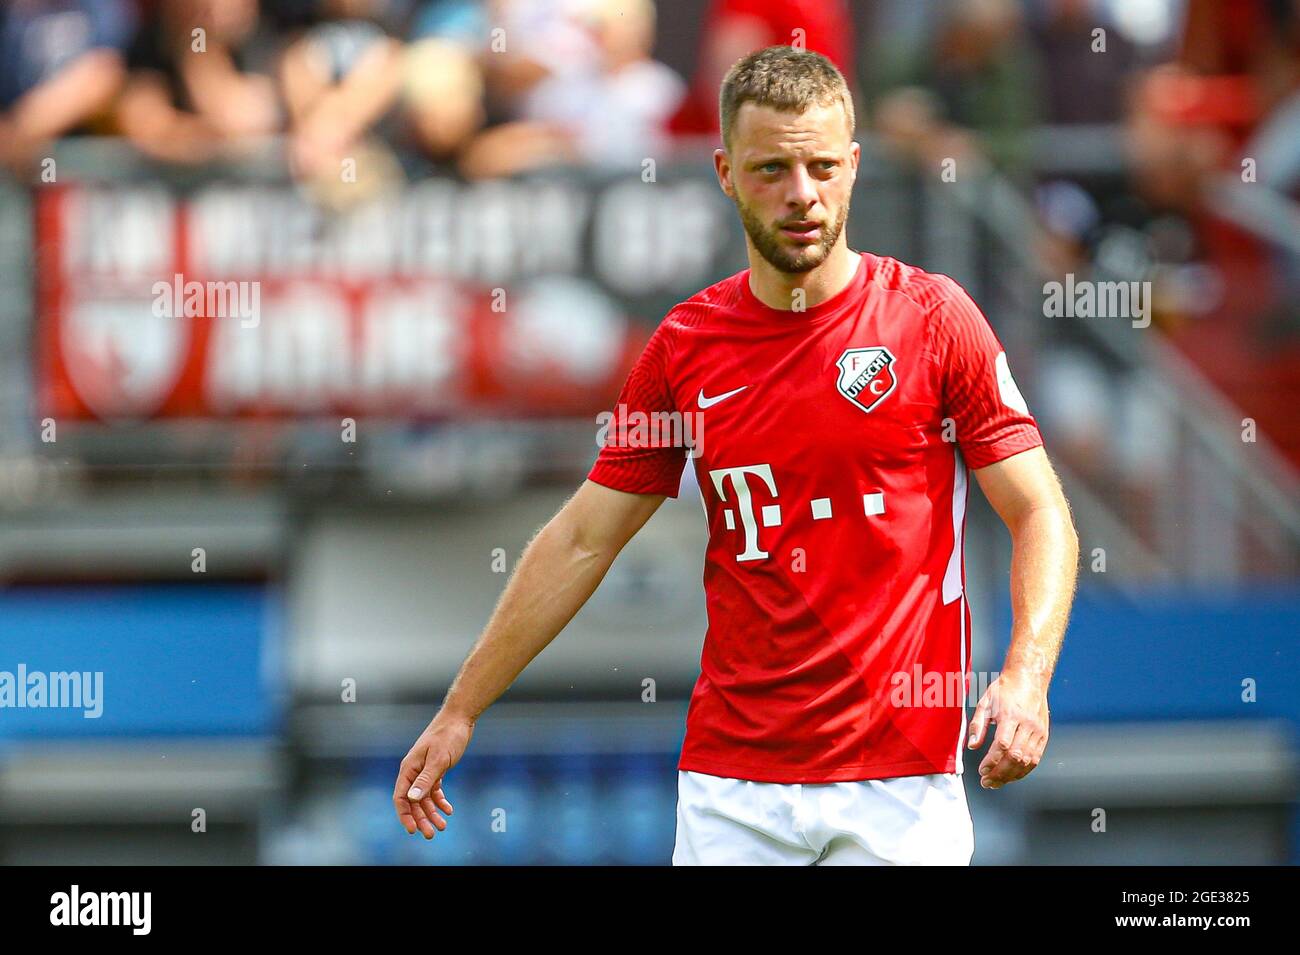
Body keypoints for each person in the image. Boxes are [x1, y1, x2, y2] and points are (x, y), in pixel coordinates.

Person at [392, 46, 1079, 865]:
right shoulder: (684, 348)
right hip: (731, 791)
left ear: (854, 166)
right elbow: (585, 536)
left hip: (899, 782)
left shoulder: (933, 320)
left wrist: (1027, 675)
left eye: (823, 166)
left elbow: (1040, 511)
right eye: (771, 170)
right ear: (723, 171)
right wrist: (462, 706)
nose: (802, 195)